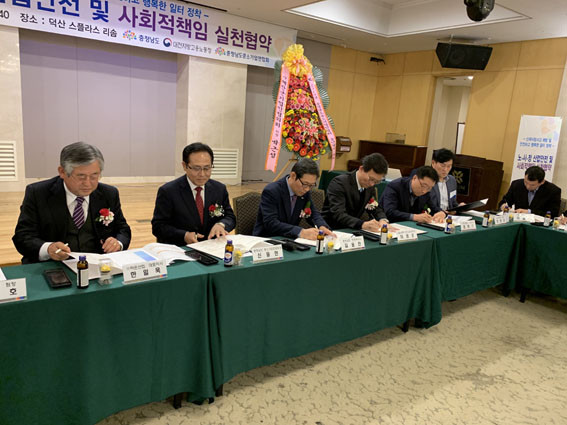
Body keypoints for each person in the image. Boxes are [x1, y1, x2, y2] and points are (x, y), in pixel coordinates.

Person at [13, 142, 131, 264]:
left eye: (94, 176)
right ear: (62, 172)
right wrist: (48, 249)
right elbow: (23, 236)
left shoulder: (109, 193)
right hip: (52, 265)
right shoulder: (38, 193)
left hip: (97, 264)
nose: (88, 183)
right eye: (81, 176)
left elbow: (123, 229)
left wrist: (118, 243)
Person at [152, 142, 236, 245]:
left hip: (212, 246)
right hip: (181, 248)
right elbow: (158, 227)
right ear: (185, 166)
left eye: (207, 168)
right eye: (196, 168)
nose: (202, 174)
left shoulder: (219, 189)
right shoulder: (168, 191)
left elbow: (230, 217)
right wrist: (184, 235)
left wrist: (221, 224)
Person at [253, 158, 335, 240]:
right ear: (293, 176)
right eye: (305, 184)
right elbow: (271, 223)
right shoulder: (272, 191)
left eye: (311, 185)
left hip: (289, 239)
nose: (307, 189)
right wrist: (301, 232)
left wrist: (322, 226)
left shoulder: (304, 191)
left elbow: (312, 213)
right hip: (268, 239)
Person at [322, 153, 389, 231]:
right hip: (332, 229)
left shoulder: (370, 186)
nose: (372, 184)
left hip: (353, 229)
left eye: (377, 181)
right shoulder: (340, 183)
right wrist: (362, 224)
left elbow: (375, 207)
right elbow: (338, 214)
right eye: (371, 179)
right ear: (361, 169)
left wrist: (382, 220)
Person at [380, 166, 445, 223]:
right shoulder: (395, 186)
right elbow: (390, 212)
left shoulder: (426, 192)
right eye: (423, 186)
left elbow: (434, 207)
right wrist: (414, 217)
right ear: (414, 178)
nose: (424, 191)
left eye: (429, 188)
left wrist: (441, 213)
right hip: (390, 224)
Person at [429, 148, 461, 212]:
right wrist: (443, 213)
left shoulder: (452, 180)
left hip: (450, 215)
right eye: (443, 166)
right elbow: (429, 206)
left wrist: (459, 207)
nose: (445, 169)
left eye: (449, 166)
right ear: (433, 163)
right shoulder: (427, 180)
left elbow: (453, 203)